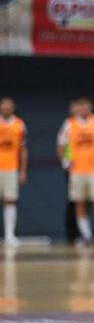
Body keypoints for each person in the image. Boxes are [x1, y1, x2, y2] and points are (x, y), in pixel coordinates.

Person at [57, 98, 94, 246]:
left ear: (90, 107)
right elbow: (61, 144)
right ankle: (87, 236)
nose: (83, 110)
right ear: (76, 109)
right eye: (80, 107)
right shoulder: (69, 123)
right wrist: (65, 161)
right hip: (77, 171)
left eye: (86, 107)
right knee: (79, 202)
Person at [0, 97, 26, 246]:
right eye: (3, 106)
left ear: (13, 108)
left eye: (8, 106)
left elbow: (23, 149)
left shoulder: (19, 124)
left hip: (11, 168)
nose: (6, 109)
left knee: (10, 200)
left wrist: (22, 170)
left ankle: (10, 235)